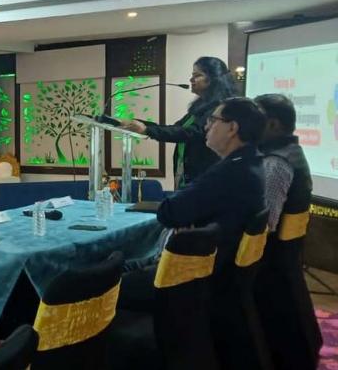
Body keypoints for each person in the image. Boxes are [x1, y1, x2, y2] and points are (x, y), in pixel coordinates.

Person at [120, 97, 267, 309]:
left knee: (94, 282)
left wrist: (184, 213)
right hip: (215, 270)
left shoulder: (228, 173)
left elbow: (168, 212)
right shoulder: (253, 163)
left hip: (190, 276)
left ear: (232, 128)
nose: (206, 126)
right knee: (118, 266)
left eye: (213, 120)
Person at [254, 93, 321, 369]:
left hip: (269, 263)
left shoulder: (275, 163)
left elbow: (265, 224)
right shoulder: (292, 152)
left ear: (272, 124)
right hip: (285, 261)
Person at [121, 57, 236, 188]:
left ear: (213, 79)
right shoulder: (199, 107)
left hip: (207, 178)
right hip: (187, 176)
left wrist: (147, 130)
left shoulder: (220, 107)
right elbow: (176, 129)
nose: (191, 80)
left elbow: (192, 132)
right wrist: (140, 124)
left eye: (197, 75)